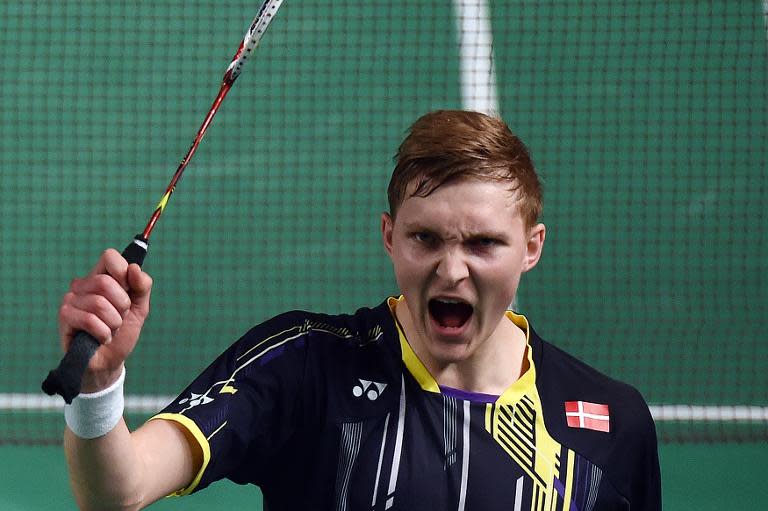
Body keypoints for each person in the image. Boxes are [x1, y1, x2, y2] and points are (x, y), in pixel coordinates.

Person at [59, 110, 661, 510]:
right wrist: (99, 387)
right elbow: (121, 490)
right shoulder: (303, 367)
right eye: (426, 239)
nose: (452, 270)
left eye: (482, 243)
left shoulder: (613, 423)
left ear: (532, 248)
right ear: (389, 236)